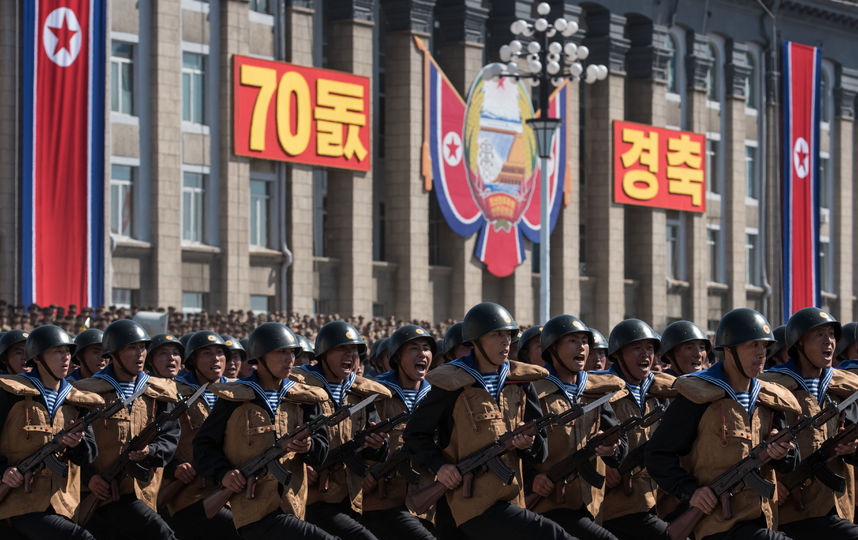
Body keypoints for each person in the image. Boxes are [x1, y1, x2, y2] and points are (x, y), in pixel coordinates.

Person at [403, 302, 576, 540]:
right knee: (552, 535)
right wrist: (439, 467)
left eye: (508, 335)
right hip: (467, 503)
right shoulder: (452, 383)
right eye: (497, 335)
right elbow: (415, 435)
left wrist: (529, 444)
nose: (506, 342)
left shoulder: (521, 382)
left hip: (509, 500)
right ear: (476, 340)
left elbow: (540, 452)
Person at [646, 307, 801, 540]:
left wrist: (783, 453)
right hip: (718, 524)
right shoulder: (698, 395)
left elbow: (791, 462)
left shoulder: (768, 398)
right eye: (752, 345)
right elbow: (657, 454)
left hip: (763, 519)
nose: (761, 353)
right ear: (729, 351)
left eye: (763, 346)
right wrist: (691, 491)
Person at [194, 322, 335, 539]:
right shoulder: (234, 398)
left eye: (292, 352)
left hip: (293, 507)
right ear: (259, 357)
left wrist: (308, 446)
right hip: (253, 510)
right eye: (281, 352)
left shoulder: (305, 398)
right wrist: (224, 474)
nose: (289, 359)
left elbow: (321, 452)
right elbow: (203, 446)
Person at [72, 319, 180, 540]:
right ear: (113, 353)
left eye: (142, 347)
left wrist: (152, 450)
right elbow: (72, 445)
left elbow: (170, 436)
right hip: (101, 493)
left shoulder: (159, 392)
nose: (140, 354)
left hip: (144, 493)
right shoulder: (86, 392)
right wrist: (89, 478)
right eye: (131, 347)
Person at [760, 307, 858, 537]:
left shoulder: (843, 389)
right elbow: (755, 446)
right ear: (799, 344)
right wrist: (777, 484)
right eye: (819, 335)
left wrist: (851, 449)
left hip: (838, 506)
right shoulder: (773, 389)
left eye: (831, 335)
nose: (829, 342)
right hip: (792, 510)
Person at [528, 314, 626, 540]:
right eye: (572, 341)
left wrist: (612, 450)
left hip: (590, 504)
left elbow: (620, 449)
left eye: (584, 341)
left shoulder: (596, 392)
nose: (581, 347)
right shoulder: (534, 392)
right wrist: (532, 477)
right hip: (548, 504)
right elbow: (516, 446)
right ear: (552, 349)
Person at [291, 320, 391, 540]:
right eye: (342, 349)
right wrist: (299, 461)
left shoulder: (361, 393)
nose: (350, 355)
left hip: (351, 496)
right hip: (311, 499)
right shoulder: (300, 389)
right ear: (324, 353)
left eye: (354, 350)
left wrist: (378, 444)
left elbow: (377, 448)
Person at [0, 325, 101, 539]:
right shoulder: (10, 393)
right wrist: (3, 471)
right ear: (37, 358)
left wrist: (77, 443)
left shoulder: (77, 399)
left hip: (63, 504)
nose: (65, 358)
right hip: (19, 502)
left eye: (67, 352)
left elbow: (90, 455)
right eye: (57, 351)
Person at [599, 319, 675, 540]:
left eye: (650, 348)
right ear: (618, 354)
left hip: (655, 501)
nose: (645, 355)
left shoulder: (660, 393)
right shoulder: (603, 392)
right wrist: (602, 467)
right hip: (617, 506)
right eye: (636, 348)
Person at [360, 324, 436, 540]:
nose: (422, 354)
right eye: (413, 348)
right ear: (397, 357)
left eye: (426, 348)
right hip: (383, 501)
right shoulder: (375, 393)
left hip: (427, 501)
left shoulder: (437, 394)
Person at [162, 331, 239, 540]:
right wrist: (174, 467)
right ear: (192, 360)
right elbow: (158, 438)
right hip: (192, 494)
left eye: (220, 353)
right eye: (206, 353)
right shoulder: (173, 392)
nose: (215, 358)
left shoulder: (239, 391)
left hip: (236, 490)